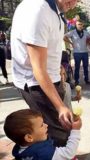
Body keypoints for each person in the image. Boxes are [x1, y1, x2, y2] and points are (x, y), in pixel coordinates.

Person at [11, 0, 78, 147]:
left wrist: (57, 65)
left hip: (49, 80)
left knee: (62, 131)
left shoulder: (54, 10)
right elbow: (38, 69)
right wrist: (60, 106)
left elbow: (47, 47)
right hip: (37, 84)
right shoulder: (37, 10)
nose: (74, 5)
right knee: (57, 134)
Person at [4, 109, 81, 160]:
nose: (46, 125)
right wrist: (75, 130)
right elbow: (69, 153)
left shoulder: (19, 149)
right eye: (41, 125)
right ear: (29, 137)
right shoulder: (44, 153)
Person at [64, 20, 90, 85]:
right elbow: (64, 37)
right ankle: (76, 81)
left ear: (83, 25)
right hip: (77, 53)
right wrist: (71, 43)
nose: (80, 25)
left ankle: (87, 80)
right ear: (76, 25)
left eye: (81, 24)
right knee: (77, 67)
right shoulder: (72, 32)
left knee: (86, 67)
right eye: (78, 24)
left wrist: (89, 42)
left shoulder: (86, 32)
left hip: (85, 52)